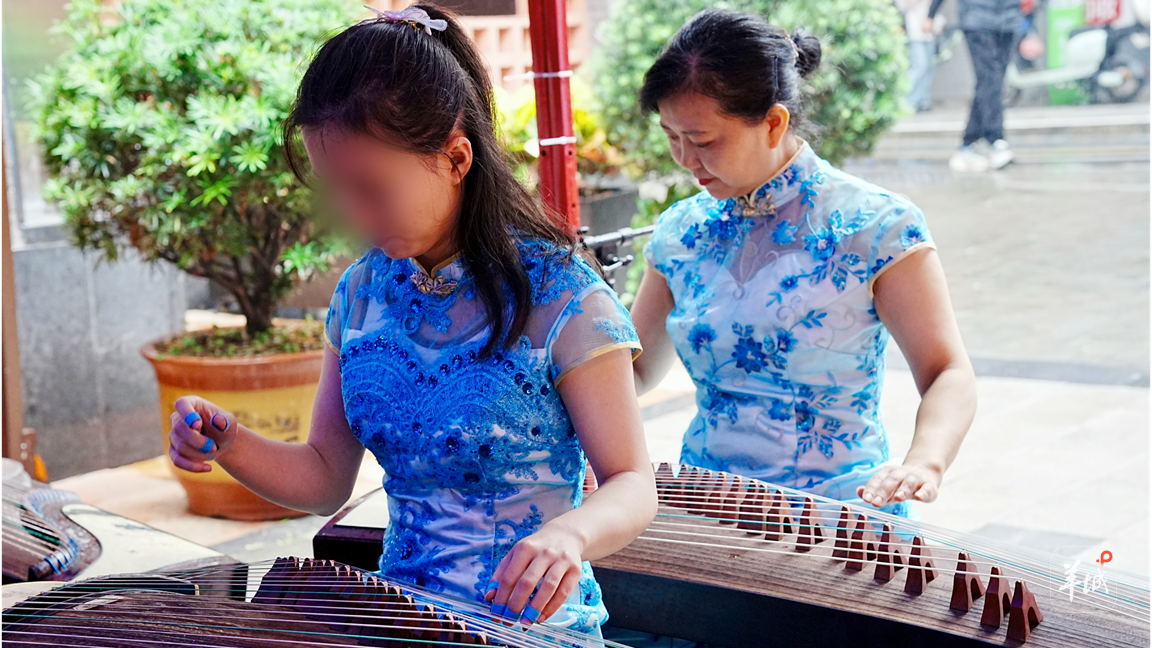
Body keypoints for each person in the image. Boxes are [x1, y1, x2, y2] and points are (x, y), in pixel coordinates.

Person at [166, 4, 656, 636]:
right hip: (403, 622)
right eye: (335, 188)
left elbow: (631, 482)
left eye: (373, 189)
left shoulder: (561, 296)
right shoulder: (361, 293)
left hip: (530, 628)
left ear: (456, 159)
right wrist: (230, 442)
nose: (353, 214)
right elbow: (324, 477)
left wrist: (571, 534)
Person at [630, 9, 977, 520]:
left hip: (837, 518)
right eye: (671, 136)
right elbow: (634, 371)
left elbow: (947, 370)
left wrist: (926, 461)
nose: (684, 159)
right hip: (708, 510)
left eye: (702, 141)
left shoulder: (875, 226)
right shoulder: (680, 232)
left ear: (773, 122)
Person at [926, 0, 1023, 171]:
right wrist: (931, 14)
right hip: (977, 19)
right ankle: (995, 140)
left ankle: (969, 143)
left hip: (1009, 19)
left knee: (993, 83)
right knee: (990, 79)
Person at [898, 0, 940, 112]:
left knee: (929, 67)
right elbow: (902, 6)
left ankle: (922, 100)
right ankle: (907, 101)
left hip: (929, 32)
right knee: (919, 65)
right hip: (914, 31)